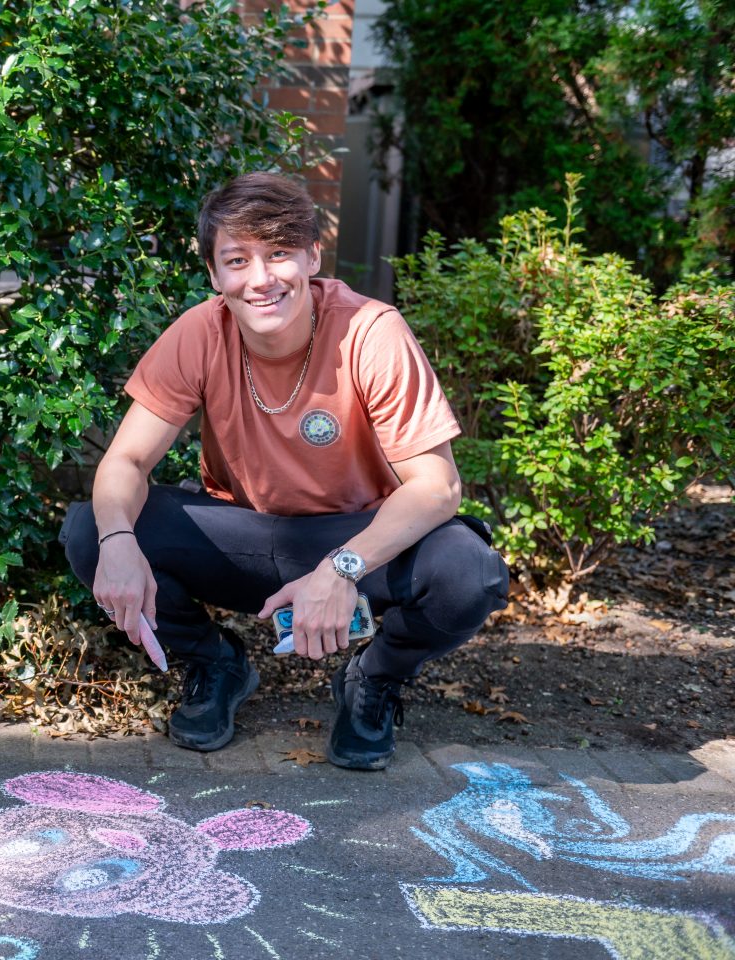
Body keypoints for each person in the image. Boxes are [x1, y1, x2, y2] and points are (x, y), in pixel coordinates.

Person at [59, 172, 509, 769]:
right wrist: (118, 541)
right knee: (93, 530)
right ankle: (214, 664)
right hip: (240, 533)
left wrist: (341, 569)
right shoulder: (200, 332)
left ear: (313, 256)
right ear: (215, 276)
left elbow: (437, 487)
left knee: (468, 572)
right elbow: (127, 460)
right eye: (237, 260)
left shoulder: (371, 331)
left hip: (354, 540)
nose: (261, 279)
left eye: (279, 254)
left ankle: (372, 678)